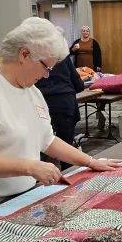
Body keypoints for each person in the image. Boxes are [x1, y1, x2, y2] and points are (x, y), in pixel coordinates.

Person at [0, 18, 122, 219]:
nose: (46, 76)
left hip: (14, 199)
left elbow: (47, 140)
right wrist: (31, 167)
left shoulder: (31, 91)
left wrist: (89, 161)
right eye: (46, 67)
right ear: (24, 54)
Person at [35, 26, 85, 170]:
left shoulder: (36, 57)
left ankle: (38, 179)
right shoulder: (63, 57)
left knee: (42, 145)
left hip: (43, 103)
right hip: (64, 102)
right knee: (65, 145)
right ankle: (68, 177)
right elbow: (78, 84)